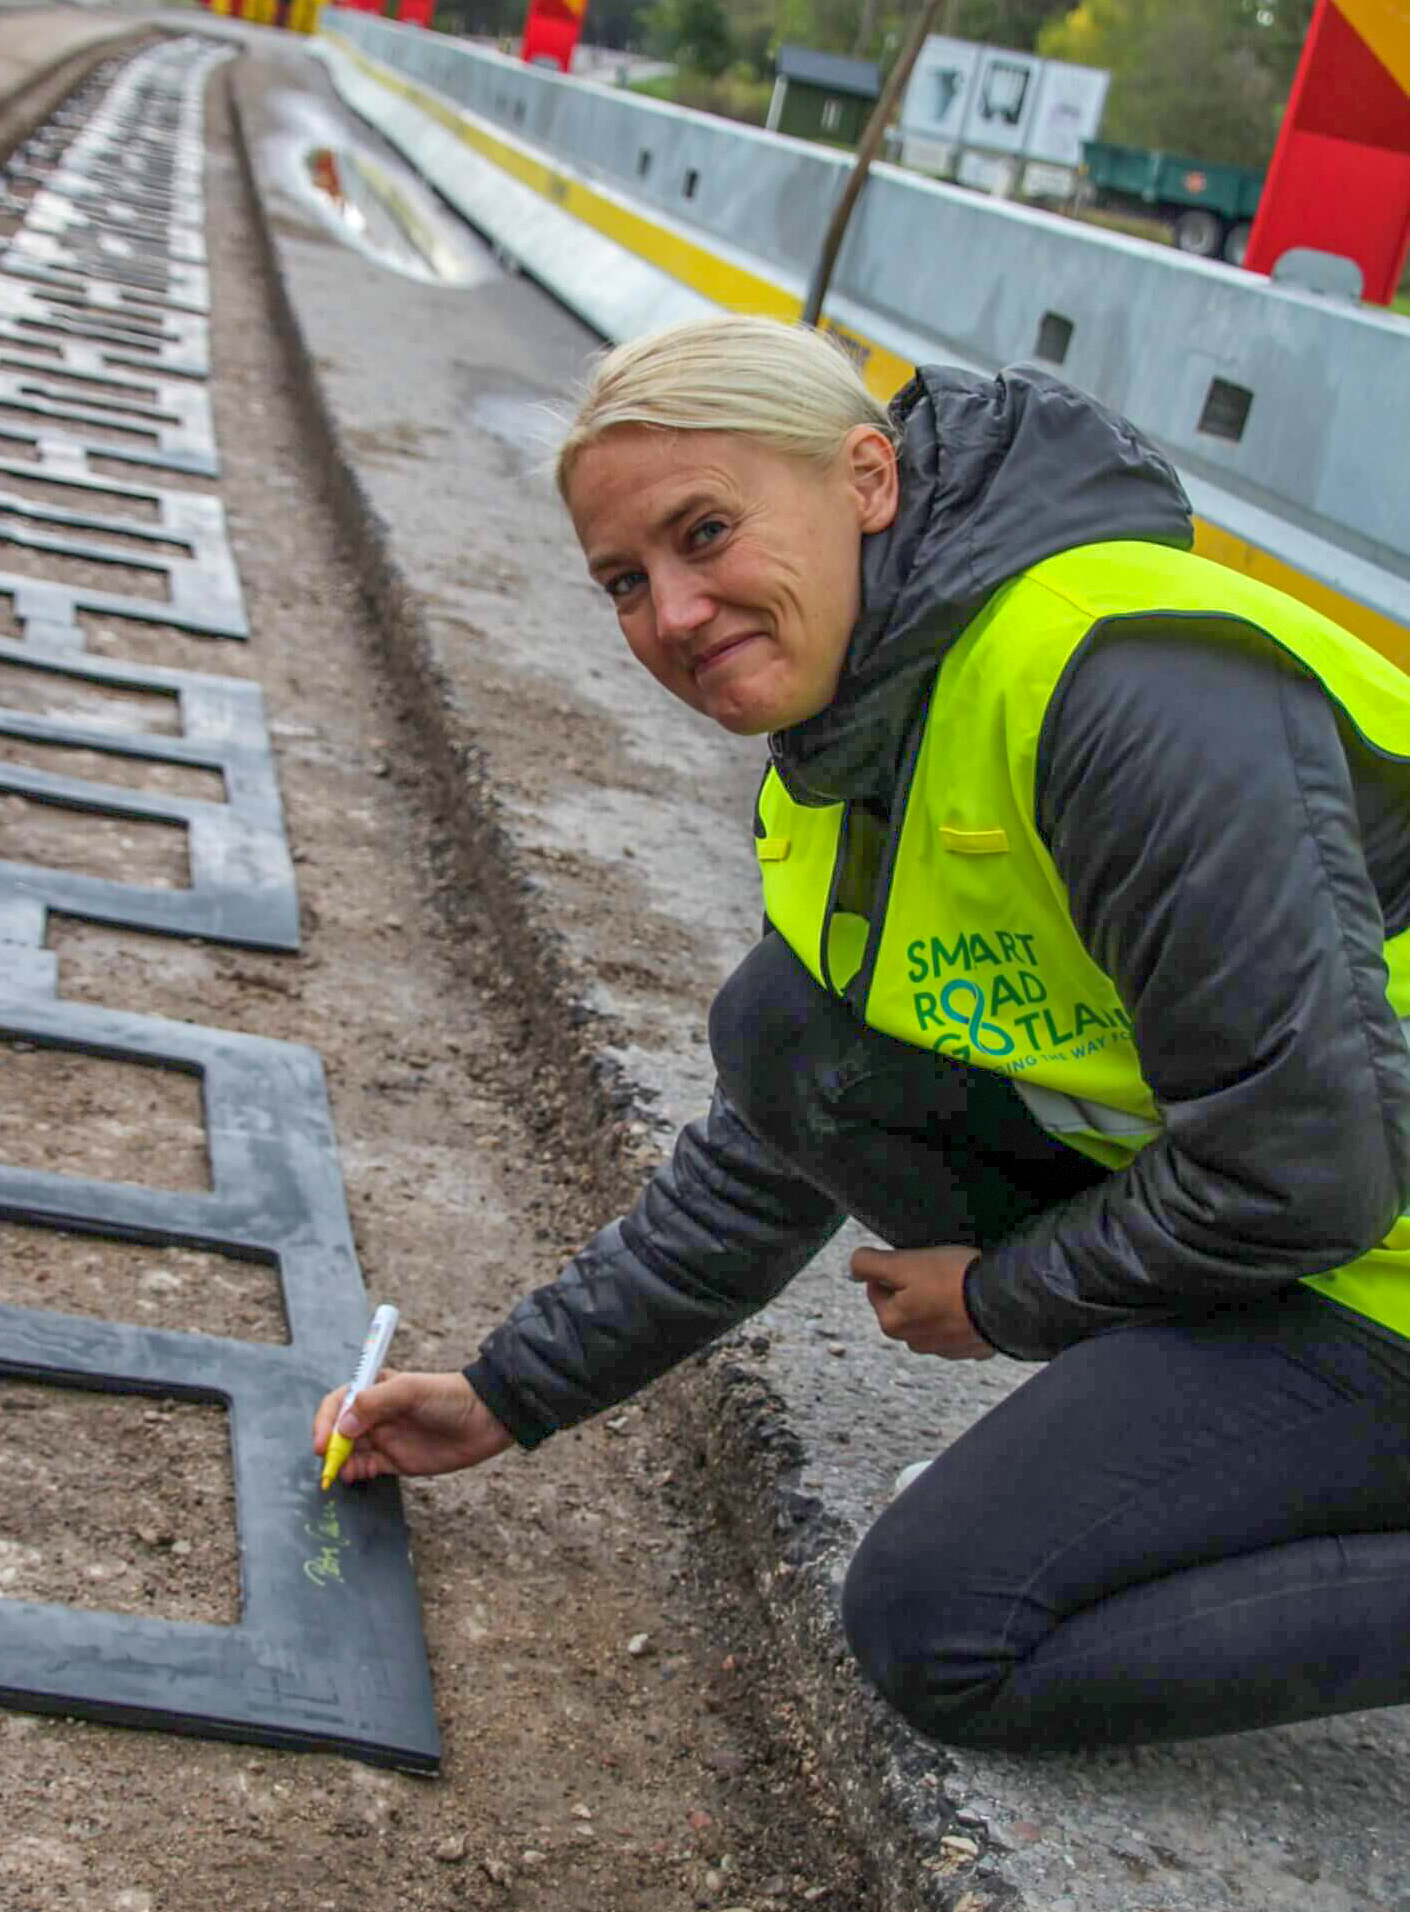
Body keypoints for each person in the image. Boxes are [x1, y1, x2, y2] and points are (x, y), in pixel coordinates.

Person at [314, 315, 1410, 1754]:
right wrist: (506, 1395)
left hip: (1356, 1231)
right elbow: (775, 1139)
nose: (676, 615)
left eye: (708, 533)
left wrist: (1010, 1296)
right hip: (1305, 1213)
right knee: (786, 1031)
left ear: (868, 480)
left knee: (944, 1627)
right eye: (625, 584)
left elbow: (1311, 1166)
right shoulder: (852, 751)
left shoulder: (1117, 686)